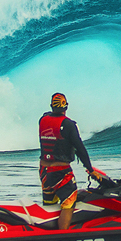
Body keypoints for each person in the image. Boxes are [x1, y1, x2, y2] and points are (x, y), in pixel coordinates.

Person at [38, 92, 102, 230]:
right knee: (68, 204)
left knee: (50, 205)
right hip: (60, 172)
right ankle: (63, 238)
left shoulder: (42, 119)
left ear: (51, 106)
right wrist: (90, 169)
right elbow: (80, 149)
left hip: (44, 171)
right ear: (66, 106)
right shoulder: (68, 124)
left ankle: (46, 236)